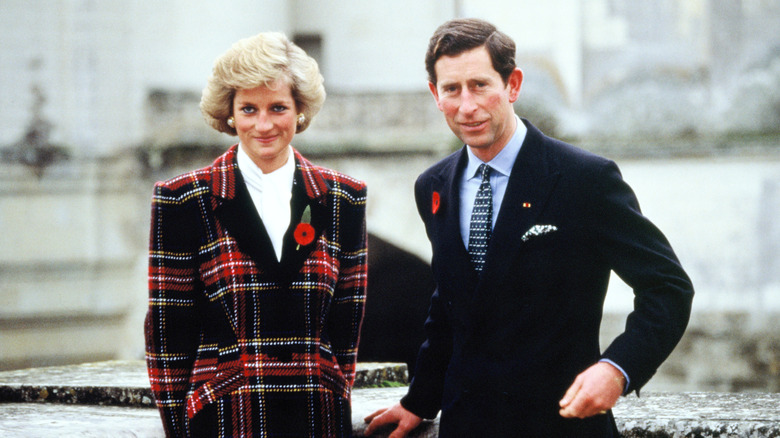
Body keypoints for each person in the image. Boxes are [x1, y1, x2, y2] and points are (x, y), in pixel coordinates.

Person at [364, 18, 693, 437]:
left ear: (512, 85)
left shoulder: (583, 179)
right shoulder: (433, 186)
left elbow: (668, 289)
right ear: (435, 95)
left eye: (480, 85)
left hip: (562, 425)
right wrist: (419, 401)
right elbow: (450, 306)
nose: (467, 106)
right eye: (452, 89)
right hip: (468, 427)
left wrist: (617, 369)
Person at [144, 32, 367, 437]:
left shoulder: (343, 197)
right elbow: (168, 333)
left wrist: (335, 391)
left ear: (299, 111)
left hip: (318, 417)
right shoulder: (184, 199)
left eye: (278, 107)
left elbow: (346, 328)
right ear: (230, 114)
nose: (263, 125)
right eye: (248, 109)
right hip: (225, 418)